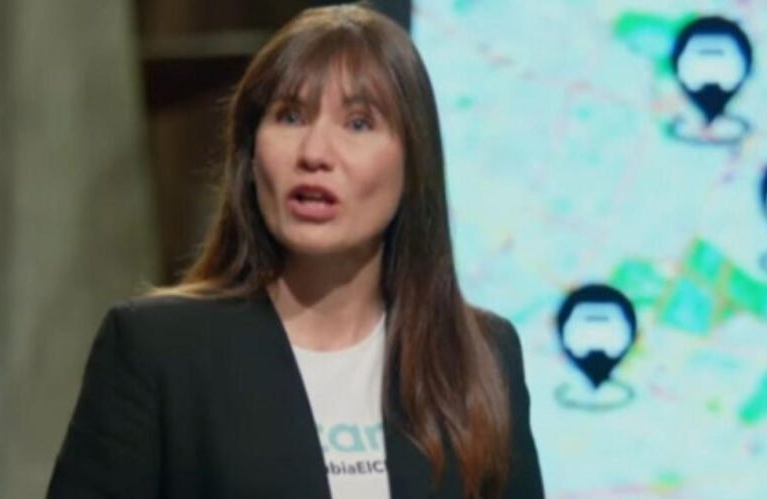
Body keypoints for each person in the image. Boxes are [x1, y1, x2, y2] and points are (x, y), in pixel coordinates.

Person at [47, 4, 543, 498]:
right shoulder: (158, 350)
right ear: (250, 155)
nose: (314, 154)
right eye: (290, 116)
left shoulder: (480, 357)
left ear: (414, 164)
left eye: (359, 123)